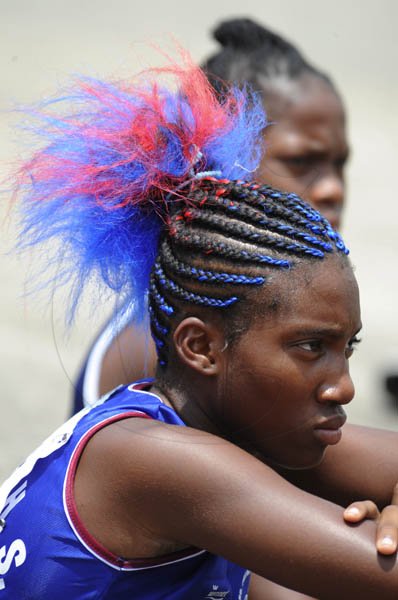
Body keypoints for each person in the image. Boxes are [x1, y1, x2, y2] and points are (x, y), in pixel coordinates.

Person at [2, 53, 398, 599]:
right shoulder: (155, 460)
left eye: (346, 348)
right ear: (201, 347)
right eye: (311, 347)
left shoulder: (234, 419)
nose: (345, 385)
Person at [72, 17, 349, 411]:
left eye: (340, 163)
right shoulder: (164, 339)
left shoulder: (258, 310)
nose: (333, 187)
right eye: (302, 160)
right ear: (219, 159)